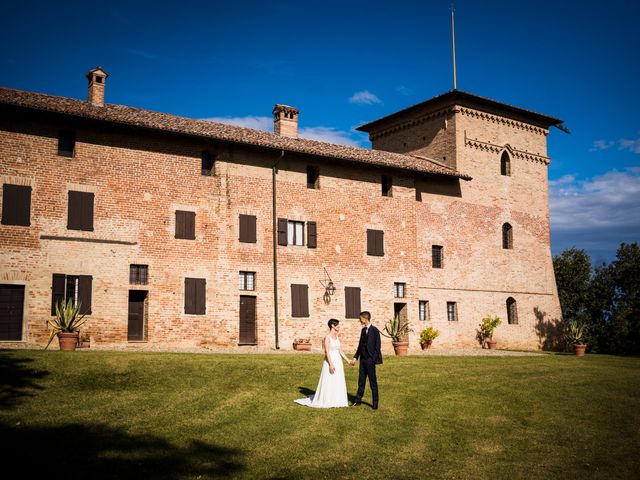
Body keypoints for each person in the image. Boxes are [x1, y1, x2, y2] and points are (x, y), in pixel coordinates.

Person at [294, 319, 350, 408]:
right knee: (330, 379)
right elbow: (327, 352)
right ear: (332, 325)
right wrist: (331, 364)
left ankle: (338, 399)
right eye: (337, 325)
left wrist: (348, 360)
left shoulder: (337, 337)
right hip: (330, 361)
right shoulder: (327, 338)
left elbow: (340, 350)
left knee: (338, 379)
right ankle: (327, 399)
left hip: (338, 361)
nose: (339, 327)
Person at [349, 311, 382, 410]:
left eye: (360, 319)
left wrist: (373, 359)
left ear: (365, 318)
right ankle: (358, 400)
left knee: (373, 382)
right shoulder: (363, 330)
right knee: (361, 381)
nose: (359, 320)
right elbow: (360, 346)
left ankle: (375, 403)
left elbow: (377, 347)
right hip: (362, 361)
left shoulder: (375, 331)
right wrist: (355, 357)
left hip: (370, 361)